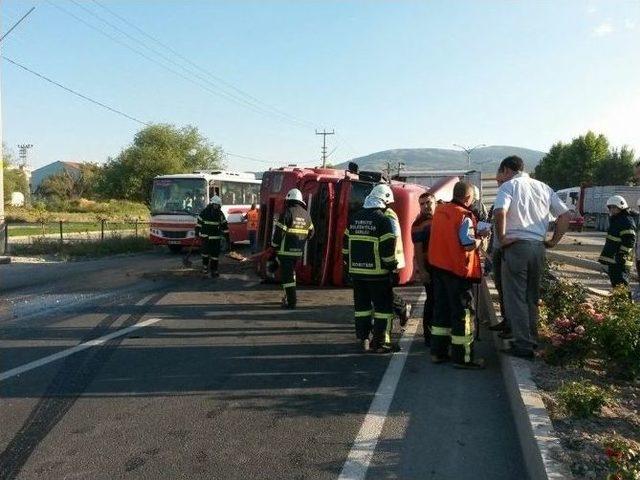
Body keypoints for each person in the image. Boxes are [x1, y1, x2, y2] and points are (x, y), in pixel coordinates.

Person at [493, 155, 570, 359]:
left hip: (517, 245)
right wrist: (553, 241)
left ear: (507, 170)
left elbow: (500, 211)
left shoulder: (509, 187)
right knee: (531, 295)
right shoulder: (544, 187)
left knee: (515, 296)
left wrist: (501, 238)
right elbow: (565, 216)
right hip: (538, 246)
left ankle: (523, 344)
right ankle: (532, 338)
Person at [428, 181, 486, 369]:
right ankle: (463, 358)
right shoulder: (464, 216)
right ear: (468, 198)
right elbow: (467, 244)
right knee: (463, 314)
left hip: (438, 269)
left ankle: (438, 352)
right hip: (457, 272)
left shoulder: (439, 211)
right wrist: (481, 239)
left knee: (441, 312)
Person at [343, 184, 398, 353]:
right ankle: (381, 343)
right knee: (383, 309)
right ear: (385, 201)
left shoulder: (354, 218)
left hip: (357, 274)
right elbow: (387, 251)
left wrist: (349, 265)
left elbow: (345, 247)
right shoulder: (383, 220)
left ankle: (363, 338)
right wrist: (392, 269)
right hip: (378, 275)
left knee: (362, 308)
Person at [271, 188, 314, 309]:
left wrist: (273, 247)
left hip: (285, 252)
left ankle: (291, 301)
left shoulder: (287, 212)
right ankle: (287, 297)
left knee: (287, 277)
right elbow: (312, 232)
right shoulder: (306, 215)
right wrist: (301, 241)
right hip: (298, 252)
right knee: (291, 274)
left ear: (289, 200)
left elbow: (278, 233)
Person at [486, 171, 511, 338]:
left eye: (499, 181)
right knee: (501, 287)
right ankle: (506, 320)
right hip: (496, 248)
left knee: (510, 289)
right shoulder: (499, 200)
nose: (498, 184)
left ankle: (511, 324)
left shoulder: (512, 198)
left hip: (506, 248)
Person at [412, 191, 436, 346]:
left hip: (442, 265)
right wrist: (422, 270)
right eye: (422, 204)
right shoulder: (418, 224)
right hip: (429, 265)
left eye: (428, 202)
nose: (426, 206)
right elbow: (418, 250)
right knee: (432, 300)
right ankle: (429, 336)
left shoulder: (441, 218)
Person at [598, 195, 636, 291]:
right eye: (610, 207)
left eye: (614, 207)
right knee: (616, 283)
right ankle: (619, 303)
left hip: (621, 259)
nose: (611, 210)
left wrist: (622, 254)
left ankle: (625, 304)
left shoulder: (626, 220)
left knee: (621, 284)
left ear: (621, 207)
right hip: (615, 259)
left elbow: (630, 240)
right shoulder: (617, 219)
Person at [383, 199, 412, 326]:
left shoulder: (388, 214)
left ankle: (402, 307)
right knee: (384, 289)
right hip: (391, 259)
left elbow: (393, 236)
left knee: (384, 290)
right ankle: (401, 308)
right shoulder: (388, 214)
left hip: (391, 259)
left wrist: (389, 259)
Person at [196, 195, 230, 278]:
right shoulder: (219, 213)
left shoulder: (204, 212)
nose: (217, 206)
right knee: (209, 255)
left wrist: (197, 232)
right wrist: (227, 237)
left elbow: (198, 223)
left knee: (211, 255)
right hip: (212, 238)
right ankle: (210, 270)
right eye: (217, 205)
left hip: (208, 238)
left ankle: (210, 270)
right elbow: (224, 226)